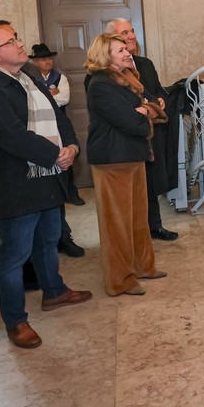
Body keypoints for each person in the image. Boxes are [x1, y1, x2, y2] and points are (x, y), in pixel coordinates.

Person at [0, 27, 91, 349]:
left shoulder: (30, 75)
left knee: (49, 239)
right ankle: (16, 320)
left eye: (16, 38)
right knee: (15, 255)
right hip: (16, 183)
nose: (20, 44)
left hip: (48, 176)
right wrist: (56, 155)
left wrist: (72, 147)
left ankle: (54, 292)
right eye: (11, 42)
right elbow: (12, 136)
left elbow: (57, 115)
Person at [84, 33, 167, 296]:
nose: (127, 53)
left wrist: (145, 109)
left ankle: (143, 266)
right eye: (120, 50)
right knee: (117, 224)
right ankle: (120, 280)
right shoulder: (100, 84)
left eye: (125, 49)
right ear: (105, 56)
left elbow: (155, 109)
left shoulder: (129, 80)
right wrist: (144, 111)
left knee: (137, 219)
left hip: (134, 155)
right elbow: (131, 122)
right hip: (112, 159)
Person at [104, 18, 178, 241]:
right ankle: (137, 233)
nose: (132, 36)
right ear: (112, 41)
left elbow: (156, 91)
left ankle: (154, 226)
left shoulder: (145, 63)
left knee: (152, 182)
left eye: (132, 31)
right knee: (134, 189)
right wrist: (149, 107)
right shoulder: (109, 74)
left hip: (151, 133)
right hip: (130, 137)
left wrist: (161, 101)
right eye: (125, 33)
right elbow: (128, 107)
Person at [29, 42, 87, 257]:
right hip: (37, 135)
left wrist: (50, 94)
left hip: (58, 126)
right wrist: (50, 93)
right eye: (43, 59)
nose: (48, 62)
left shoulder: (59, 77)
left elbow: (63, 98)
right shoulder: (28, 80)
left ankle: (63, 232)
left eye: (49, 58)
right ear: (35, 62)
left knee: (64, 167)